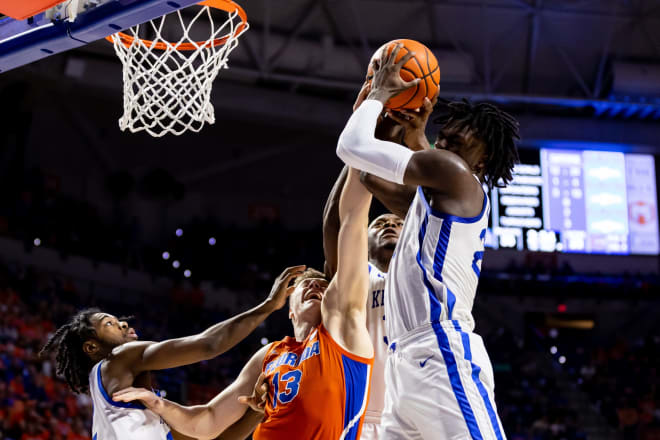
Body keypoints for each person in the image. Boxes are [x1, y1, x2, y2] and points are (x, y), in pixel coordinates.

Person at [336, 43, 520, 439]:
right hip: (404, 365)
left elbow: (351, 148)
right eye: (451, 124)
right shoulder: (438, 194)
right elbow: (367, 174)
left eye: (468, 130)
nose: (451, 129)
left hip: (441, 350)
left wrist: (377, 97)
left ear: (482, 160)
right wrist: (388, 121)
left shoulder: (457, 175)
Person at [112, 167, 376, 439]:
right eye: (304, 284)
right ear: (290, 311)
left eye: (322, 285)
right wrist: (159, 404)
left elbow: (350, 221)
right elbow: (210, 419)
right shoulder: (269, 355)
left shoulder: (343, 328)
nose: (314, 285)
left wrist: (360, 158)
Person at [39, 265, 305, 440]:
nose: (122, 323)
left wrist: (257, 412)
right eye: (109, 323)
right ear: (92, 347)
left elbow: (215, 437)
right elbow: (208, 345)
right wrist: (268, 306)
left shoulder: (137, 418)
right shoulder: (116, 359)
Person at [321, 78, 435, 439]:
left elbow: (436, 208)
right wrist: (368, 141)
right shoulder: (356, 278)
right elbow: (341, 222)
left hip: (420, 418)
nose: (389, 224)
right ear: (365, 242)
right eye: (381, 222)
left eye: (397, 222)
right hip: (362, 418)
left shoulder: (426, 269)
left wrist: (418, 142)